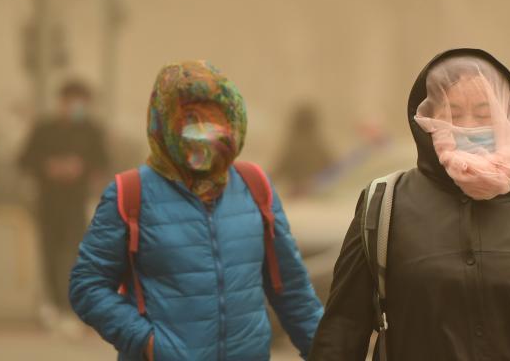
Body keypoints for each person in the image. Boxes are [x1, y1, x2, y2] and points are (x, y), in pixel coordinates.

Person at [309, 48, 510, 360]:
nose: (468, 126)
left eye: (484, 114)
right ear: (426, 120)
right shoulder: (386, 205)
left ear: (506, 118)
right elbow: (343, 330)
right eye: (453, 115)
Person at [70, 60, 323, 360]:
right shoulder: (130, 194)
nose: (204, 132)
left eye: (216, 118)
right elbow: (88, 285)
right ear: (163, 121)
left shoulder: (255, 187)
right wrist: (147, 341)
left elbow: (293, 294)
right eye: (190, 118)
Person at [18, 78, 109, 331]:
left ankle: (72, 306)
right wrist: (49, 167)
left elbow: (101, 161)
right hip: (48, 201)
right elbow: (25, 159)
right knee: (48, 251)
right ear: (62, 102)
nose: (76, 107)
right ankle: (52, 305)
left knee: (73, 252)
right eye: (71, 101)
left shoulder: (92, 130)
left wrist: (80, 167)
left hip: (76, 202)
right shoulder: (44, 129)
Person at [273, 102, 334, 197]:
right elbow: (335, 171)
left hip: (298, 196)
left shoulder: (292, 147)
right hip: (318, 197)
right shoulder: (319, 148)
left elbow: (278, 172)